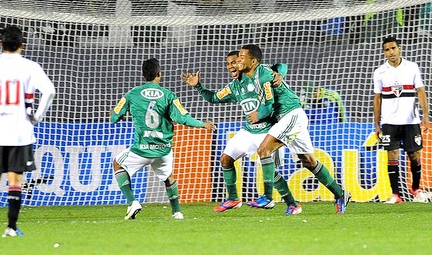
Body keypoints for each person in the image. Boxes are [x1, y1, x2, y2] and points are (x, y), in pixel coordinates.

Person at [181, 51, 303, 215]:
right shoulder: (233, 87)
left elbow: (281, 66)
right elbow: (213, 98)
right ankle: (233, 198)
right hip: (248, 131)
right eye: (228, 63)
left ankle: (292, 204)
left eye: (234, 62)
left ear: (242, 64)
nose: (231, 66)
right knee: (225, 159)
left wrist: (279, 74)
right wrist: (197, 86)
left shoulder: (257, 76)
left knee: (271, 174)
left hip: (268, 131)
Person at [239, 44, 351, 213]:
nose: (238, 60)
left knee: (263, 151)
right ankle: (340, 194)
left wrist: (279, 74)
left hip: (291, 114)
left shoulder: (262, 72)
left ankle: (267, 197)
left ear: (253, 61)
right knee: (308, 161)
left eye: (241, 56)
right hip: (287, 119)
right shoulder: (248, 79)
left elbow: (282, 67)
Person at [0, 25, 56, 237]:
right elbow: (50, 91)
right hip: (20, 132)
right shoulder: (30, 67)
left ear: (1, 44)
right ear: (21, 45)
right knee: (15, 180)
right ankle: (11, 227)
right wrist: (37, 116)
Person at [111, 57, 215, 220]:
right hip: (163, 149)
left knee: (117, 163)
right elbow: (183, 118)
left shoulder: (131, 94)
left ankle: (132, 202)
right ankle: (177, 212)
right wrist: (202, 124)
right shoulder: (168, 95)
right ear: (159, 74)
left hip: (142, 150)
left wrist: (118, 111)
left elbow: (114, 118)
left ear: (143, 74)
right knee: (168, 177)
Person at [373, 36, 430, 204]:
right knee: (392, 154)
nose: (391, 52)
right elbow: (377, 99)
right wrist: (377, 124)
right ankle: (395, 195)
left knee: (415, 155)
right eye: (387, 50)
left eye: (393, 48)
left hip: (411, 121)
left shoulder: (412, 67)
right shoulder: (379, 72)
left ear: (400, 48)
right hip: (389, 122)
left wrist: (425, 116)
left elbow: (420, 91)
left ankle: (416, 189)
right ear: (384, 52)